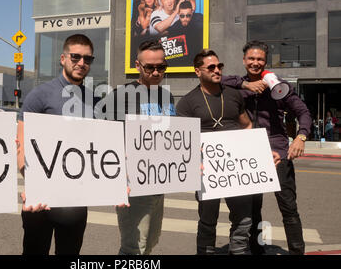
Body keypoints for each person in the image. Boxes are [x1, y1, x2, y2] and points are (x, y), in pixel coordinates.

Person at [222, 40, 312, 255]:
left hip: (278, 152)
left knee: (288, 208)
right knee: (252, 209)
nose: (255, 63)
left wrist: (301, 136)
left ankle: (297, 251)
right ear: (244, 61)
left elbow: (303, 112)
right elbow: (213, 80)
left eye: (260, 59)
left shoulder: (279, 86)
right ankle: (256, 249)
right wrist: (245, 85)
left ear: (266, 61)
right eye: (251, 59)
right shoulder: (235, 85)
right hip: (248, 153)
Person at [17, 34, 97, 255]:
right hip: (40, 199)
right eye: (76, 57)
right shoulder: (40, 95)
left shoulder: (95, 101)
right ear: (63, 58)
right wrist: (34, 183)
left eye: (88, 59)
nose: (82, 63)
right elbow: (21, 144)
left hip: (75, 200)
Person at [176, 49, 254, 255]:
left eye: (219, 66)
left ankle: (238, 251)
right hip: (205, 172)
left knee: (243, 218)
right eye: (211, 67)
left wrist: (247, 150)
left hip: (235, 168)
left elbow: (247, 125)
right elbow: (182, 140)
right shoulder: (187, 102)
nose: (217, 70)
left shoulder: (234, 95)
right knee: (208, 220)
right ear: (197, 71)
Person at [103, 40, 175, 255]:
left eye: (161, 67)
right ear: (137, 66)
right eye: (149, 67)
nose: (156, 72)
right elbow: (104, 139)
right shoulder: (120, 95)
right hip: (132, 185)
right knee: (134, 248)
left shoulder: (166, 96)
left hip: (158, 182)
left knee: (150, 242)